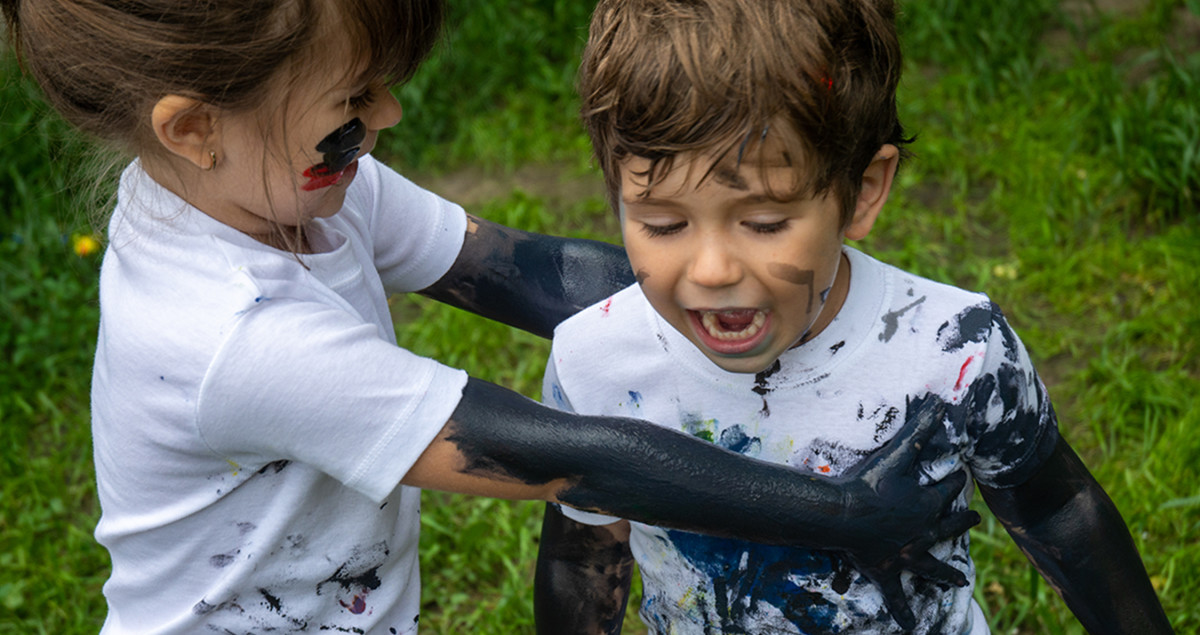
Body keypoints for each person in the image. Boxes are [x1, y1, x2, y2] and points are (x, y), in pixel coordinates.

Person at [0, 0, 981, 633]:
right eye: (349, 100)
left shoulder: (282, 189)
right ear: (193, 127)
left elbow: (521, 274)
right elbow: (576, 456)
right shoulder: (230, 334)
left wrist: (787, 297)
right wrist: (849, 509)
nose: (383, 116)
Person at [533, 0, 1174, 633]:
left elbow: (1063, 514)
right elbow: (583, 558)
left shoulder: (955, 352)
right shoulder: (595, 364)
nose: (711, 270)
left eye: (764, 222)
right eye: (662, 222)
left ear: (862, 192)